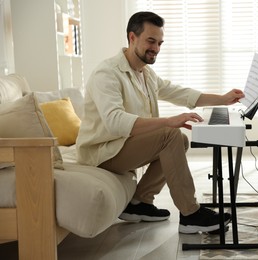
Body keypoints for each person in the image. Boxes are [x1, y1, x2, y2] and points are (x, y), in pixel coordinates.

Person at [76, 11, 245, 234]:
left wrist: (222, 99)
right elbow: (115, 122)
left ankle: (139, 203)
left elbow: (181, 93)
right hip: (102, 153)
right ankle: (190, 214)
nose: (156, 48)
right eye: (151, 41)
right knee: (170, 134)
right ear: (132, 37)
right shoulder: (106, 74)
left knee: (180, 140)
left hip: (121, 146)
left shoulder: (145, 73)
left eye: (159, 43)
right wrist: (168, 121)